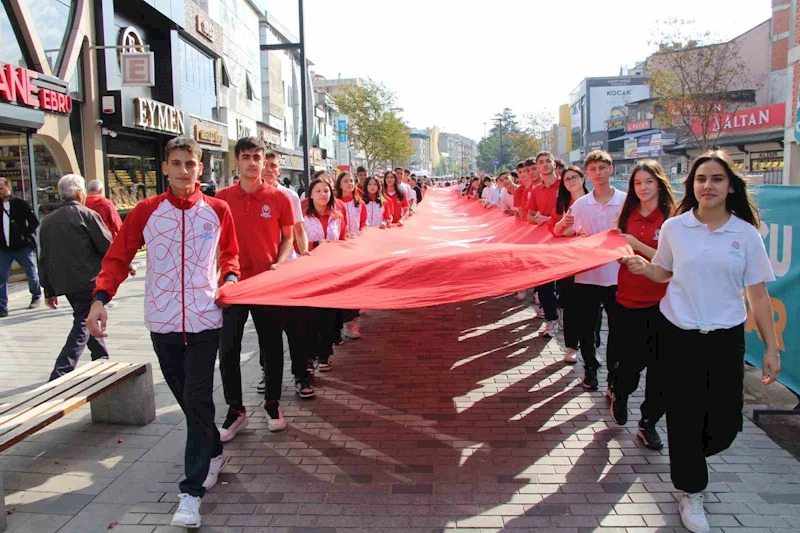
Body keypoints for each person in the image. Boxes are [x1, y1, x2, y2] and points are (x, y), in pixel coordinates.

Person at [622, 150, 780, 533]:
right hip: (677, 336)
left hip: (725, 340)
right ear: (691, 186)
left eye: (717, 179)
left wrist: (772, 347)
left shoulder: (745, 233)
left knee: (724, 425)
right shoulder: (677, 228)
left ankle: (692, 453)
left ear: (730, 187)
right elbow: (663, 271)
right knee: (684, 418)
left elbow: (757, 294)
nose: (708, 186)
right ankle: (691, 490)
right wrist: (645, 268)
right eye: (701, 179)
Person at [87, 137, 240, 529]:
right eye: (176, 163)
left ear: (200, 168)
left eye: (190, 163)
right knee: (192, 405)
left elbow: (230, 256)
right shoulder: (146, 211)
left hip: (206, 321)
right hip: (163, 321)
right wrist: (100, 298)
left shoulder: (218, 210)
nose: (184, 170)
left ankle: (190, 495)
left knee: (197, 399)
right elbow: (118, 256)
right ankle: (211, 452)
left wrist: (230, 279)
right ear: (165, 168)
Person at [216, 138, 296, 439]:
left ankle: (272, 403)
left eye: (257, 157)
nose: (252, 162)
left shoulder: (279, 198)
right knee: (228, 350)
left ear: (265, 161)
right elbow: (214, 242)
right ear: (236, 161)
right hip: (233, 284)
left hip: (267, 284)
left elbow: (288, 237)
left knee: (272, 347)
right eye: (246, 156)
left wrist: (281, 261)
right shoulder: (222, 199)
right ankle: (235, 410)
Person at [607, 160, 676, 453]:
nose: (643, 187)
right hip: (629, 300)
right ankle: (620, 393)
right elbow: (614, 249)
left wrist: (637, 244)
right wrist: (621, 253)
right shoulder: (626, 216)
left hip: (666, 305)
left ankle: (648, 422)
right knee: (631, 365)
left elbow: (673, 258)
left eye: (648, 181)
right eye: (637, 183)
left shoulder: (674, 218)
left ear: (659, 183)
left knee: (662, 371)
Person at [39, 174, 116, 380]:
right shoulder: (86, 215)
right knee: (83, 322)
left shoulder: (47, 221)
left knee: (84, 317)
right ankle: (61, 371)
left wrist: (48, 290)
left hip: (64, 282)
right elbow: (107, 245)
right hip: (88, 279)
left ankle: (101, 357)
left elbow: (43, 258)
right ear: (81, 193)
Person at [565, 150, 626, 392]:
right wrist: (562, 226)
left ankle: (614, 376)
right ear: (587, 173)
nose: (598, 173)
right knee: (587, 329)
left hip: (618, 276)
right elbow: (566, 231)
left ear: (611, 170)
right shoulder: (580, 204)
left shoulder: (625, 200)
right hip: (587, 276)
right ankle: (590, 370)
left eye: (602, 168)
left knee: (618, 331)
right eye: (593, 169)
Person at [262, 151, 315, 400]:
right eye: (266, 165)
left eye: (273, 166)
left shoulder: (290, 196)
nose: (269, 170)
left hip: (288, 272)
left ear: (279, 171)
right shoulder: (242, 197)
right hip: (261, 275)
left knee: (296, 327)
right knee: (267, 329)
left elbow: (299, 230)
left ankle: (301, 375)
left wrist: (305, 253)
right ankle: (268, 373)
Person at [303, 178, 347, 372]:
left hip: (332, 271)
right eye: (318, 191)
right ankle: (309, 357)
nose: (323, 194)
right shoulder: (302, 216)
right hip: (308, 272)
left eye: (326, 191)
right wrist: (315, 245)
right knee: (309, 317)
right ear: (310, 194)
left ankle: (324, 353)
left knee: (328, 316)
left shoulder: (337, 216)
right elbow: (296, 243)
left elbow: (343, 239)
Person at [551, 166, 589, 364]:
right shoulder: (562, 204)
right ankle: (571, 346)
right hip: (568, 263)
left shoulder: (594, 201)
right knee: (571, 308)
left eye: (574, 177)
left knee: (591, 311)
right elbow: (554, 229)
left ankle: (591, 349)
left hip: (592, 264)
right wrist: (564, 229)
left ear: (583, 178)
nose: (571, 182)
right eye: (567, 179)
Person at [526, 151, 562, 336]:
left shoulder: (565, 185)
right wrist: (536, 218)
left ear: (554, 164)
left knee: (563, 284)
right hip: (543, 241)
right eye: (541, 162)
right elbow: (529, 214)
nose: (545, 164)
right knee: (546, 283)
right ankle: (551, 320)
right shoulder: (536, 190)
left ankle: (561, 313)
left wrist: (558, 221)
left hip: (564, 240)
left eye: (548, 161)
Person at [0, 177, 41, 316]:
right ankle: (2, 307)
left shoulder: (20, 204)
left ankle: (36, 296)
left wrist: (25, 233)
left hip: (21, 247)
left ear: (8, 188)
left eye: (1, 188)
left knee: (31, 273)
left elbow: (34, 222)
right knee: (2, 277)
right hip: (3, 248)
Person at [335, 171, 366, 340]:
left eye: (352, 181)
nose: (349, 183)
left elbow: (363, 224)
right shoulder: (335, 203)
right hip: (339, 248)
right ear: (339, 184)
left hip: (356, 248)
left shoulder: (359, 203)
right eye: (346, 181)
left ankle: (352, 322)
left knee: (355, 285)